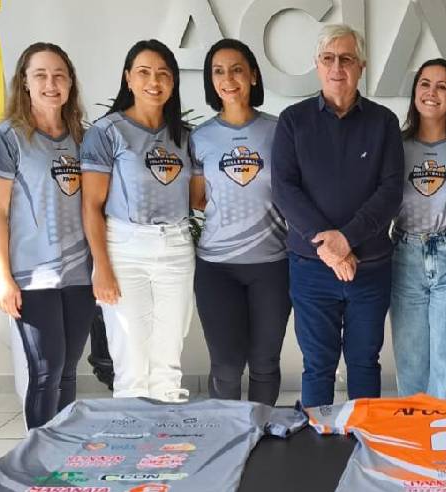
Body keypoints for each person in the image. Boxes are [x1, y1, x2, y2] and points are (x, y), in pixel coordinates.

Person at [271, 24, 403, 407]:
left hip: (371, 267)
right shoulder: (293, 121)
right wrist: (330, 247)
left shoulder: (384, 122)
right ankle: (317, 449)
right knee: (318, 364)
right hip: (311, 267)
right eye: (328, 59)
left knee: (364, 363)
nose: (337, 67)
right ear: (317, 66)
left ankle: (365, 443)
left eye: (346, 58)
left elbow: (390, 192)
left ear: (361, 66)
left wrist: (345, 241)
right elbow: (285, 191)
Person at [0, 42, 92, 428]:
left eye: (59, 74)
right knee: (46, 372)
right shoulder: (6, 137)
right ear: (24, 83)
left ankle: (63, 456)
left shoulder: (85, 136)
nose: (51, 83)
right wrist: (3, 278)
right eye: (40, 75)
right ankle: (36, 462)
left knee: (68, 372)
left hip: (80, 274)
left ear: (70, 83)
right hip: (32, 275)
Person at [80, 40, 197, 403]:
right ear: (127, 78)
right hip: (124, 248)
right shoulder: (107, 132)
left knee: (168, 359)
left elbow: (196, 199)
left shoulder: (185, 136)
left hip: (176, 248)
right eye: (144, 72)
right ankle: (133, 448)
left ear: (174, 82)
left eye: (163, 73)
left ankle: (166, 448)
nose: (154, 81)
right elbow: (91, 206)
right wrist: (101, 267)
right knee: (130, 359)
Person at [190, 39, 291, 405]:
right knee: (227, 367)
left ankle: (262, 435)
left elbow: (293, 191)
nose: (228, 79)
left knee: (265, 363)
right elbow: (198, 198)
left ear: (253, 76)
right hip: (217, 268)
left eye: (236, 69)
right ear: (210, 81)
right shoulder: (200, 137)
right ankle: (228, 438)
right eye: (218, 71)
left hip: (272, 266)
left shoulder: (280, 131)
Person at [391, 58, 446, 398]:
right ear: (415, 93)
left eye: (442, 86)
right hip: (405, 255)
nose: (432, 92)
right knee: (411, 358)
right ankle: (416, 440)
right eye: (425, 84)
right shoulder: (395, 146)